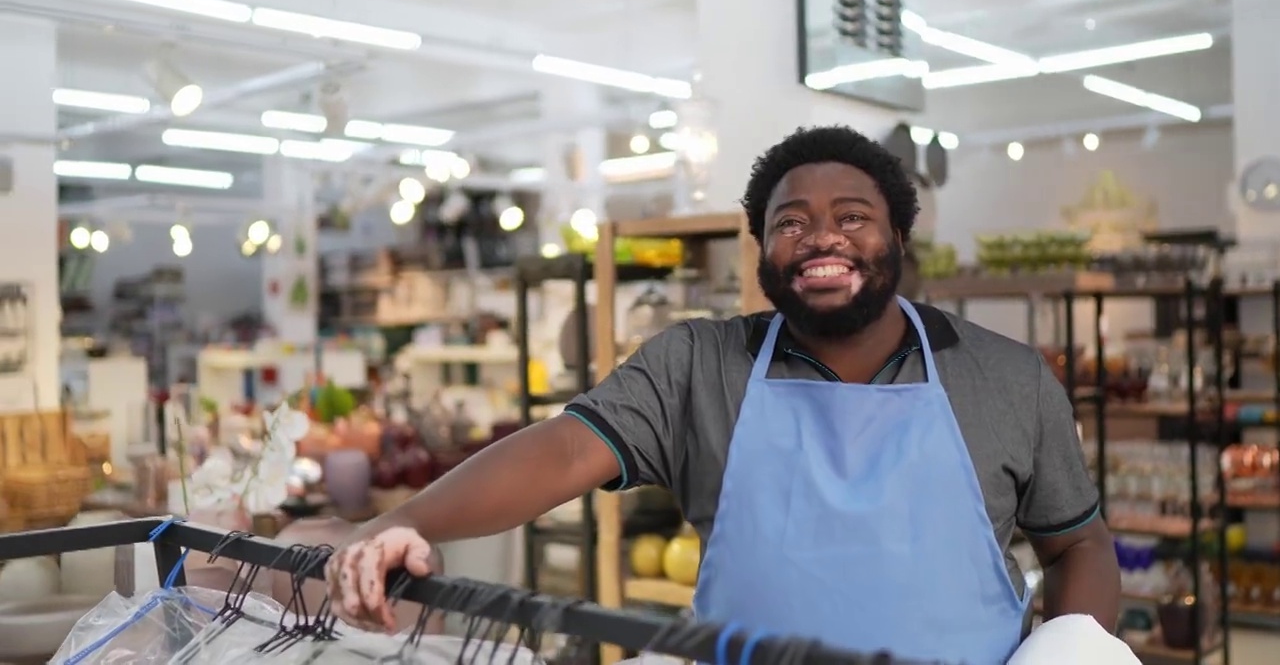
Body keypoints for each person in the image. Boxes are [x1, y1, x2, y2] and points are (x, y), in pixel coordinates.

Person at [325, 125, 1120, 664]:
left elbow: (1077, 542)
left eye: (853, 217)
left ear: (897, 239)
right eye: (789, 222)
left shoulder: (1006, 376)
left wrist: (1075, 645)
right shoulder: (700, 366)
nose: (821, 238)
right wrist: (403, 520)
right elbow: (566, 446)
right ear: (765, 251)